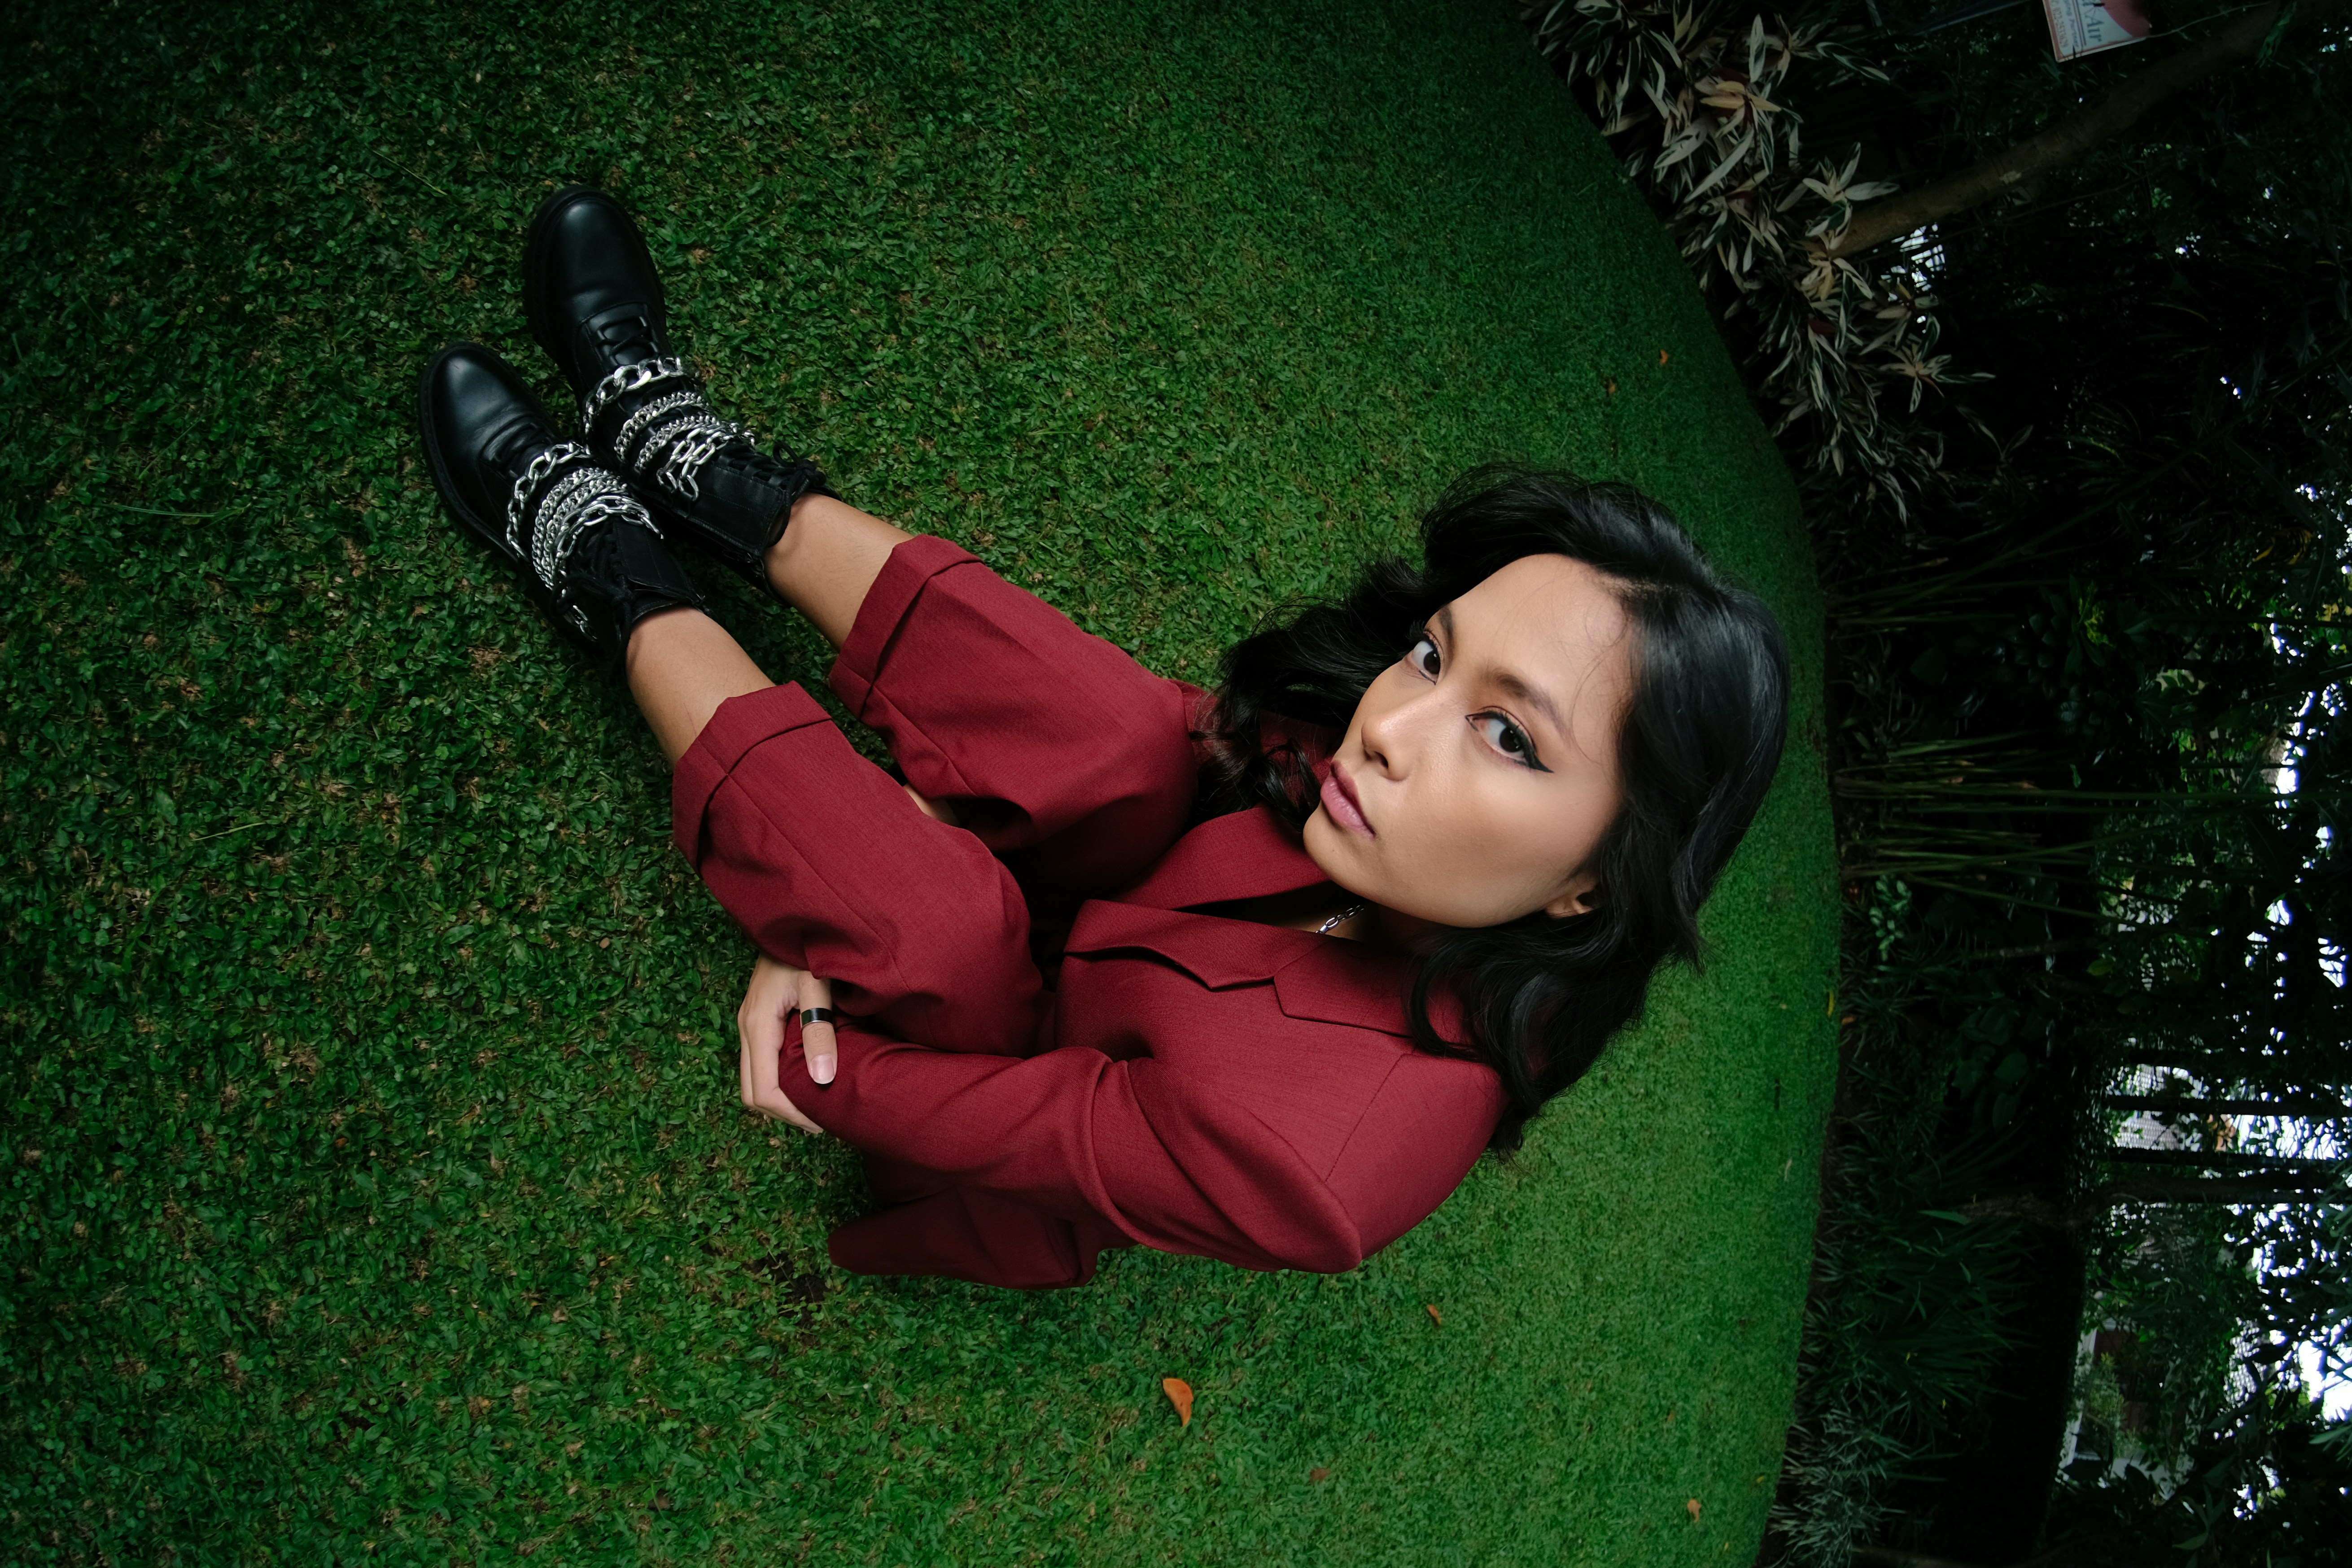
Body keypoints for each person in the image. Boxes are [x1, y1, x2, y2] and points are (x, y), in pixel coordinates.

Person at [416, 186, 1790, 1290]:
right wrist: (942, 809)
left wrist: (818, 1029)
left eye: (1505, 735)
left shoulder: (1315, 1162)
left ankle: (614, 567)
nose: (1389, 723)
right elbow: (1189, 756)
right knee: (1130, 736)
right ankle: (703, 472)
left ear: (1595, 876)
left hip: (1013, 1088)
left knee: (930, 923)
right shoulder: (1385, 784)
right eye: (1433, 653)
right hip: (1119, 911)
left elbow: (1022, 1129)